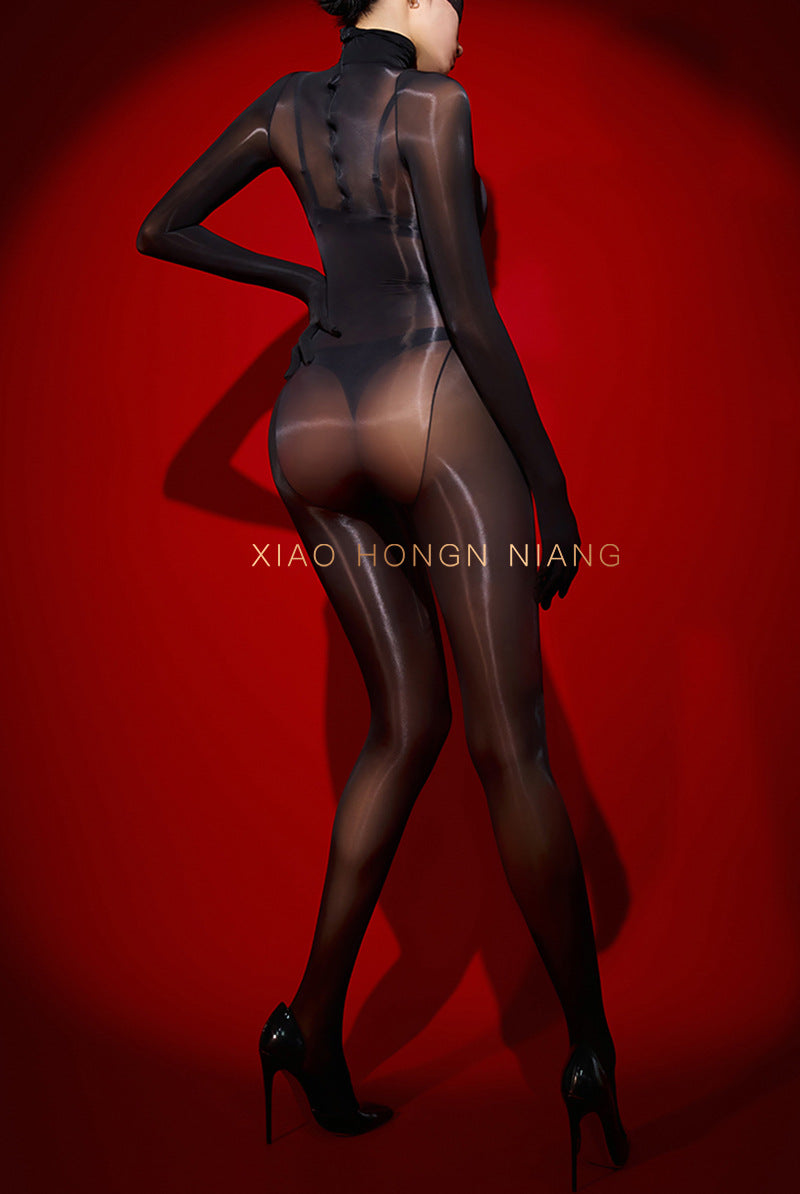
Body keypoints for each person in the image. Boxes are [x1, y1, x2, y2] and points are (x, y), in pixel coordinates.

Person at [137, 1, 629, 1187]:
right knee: (510, 749)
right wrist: (551, 489)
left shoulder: (283, 104)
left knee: (401, 729)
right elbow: (470, 313)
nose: (462, 24)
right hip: (426, 400)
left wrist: (296, 281)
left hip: (308, 420)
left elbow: (161, 227)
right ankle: (588, 1056)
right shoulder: (431, 106)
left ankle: (306, 1023)